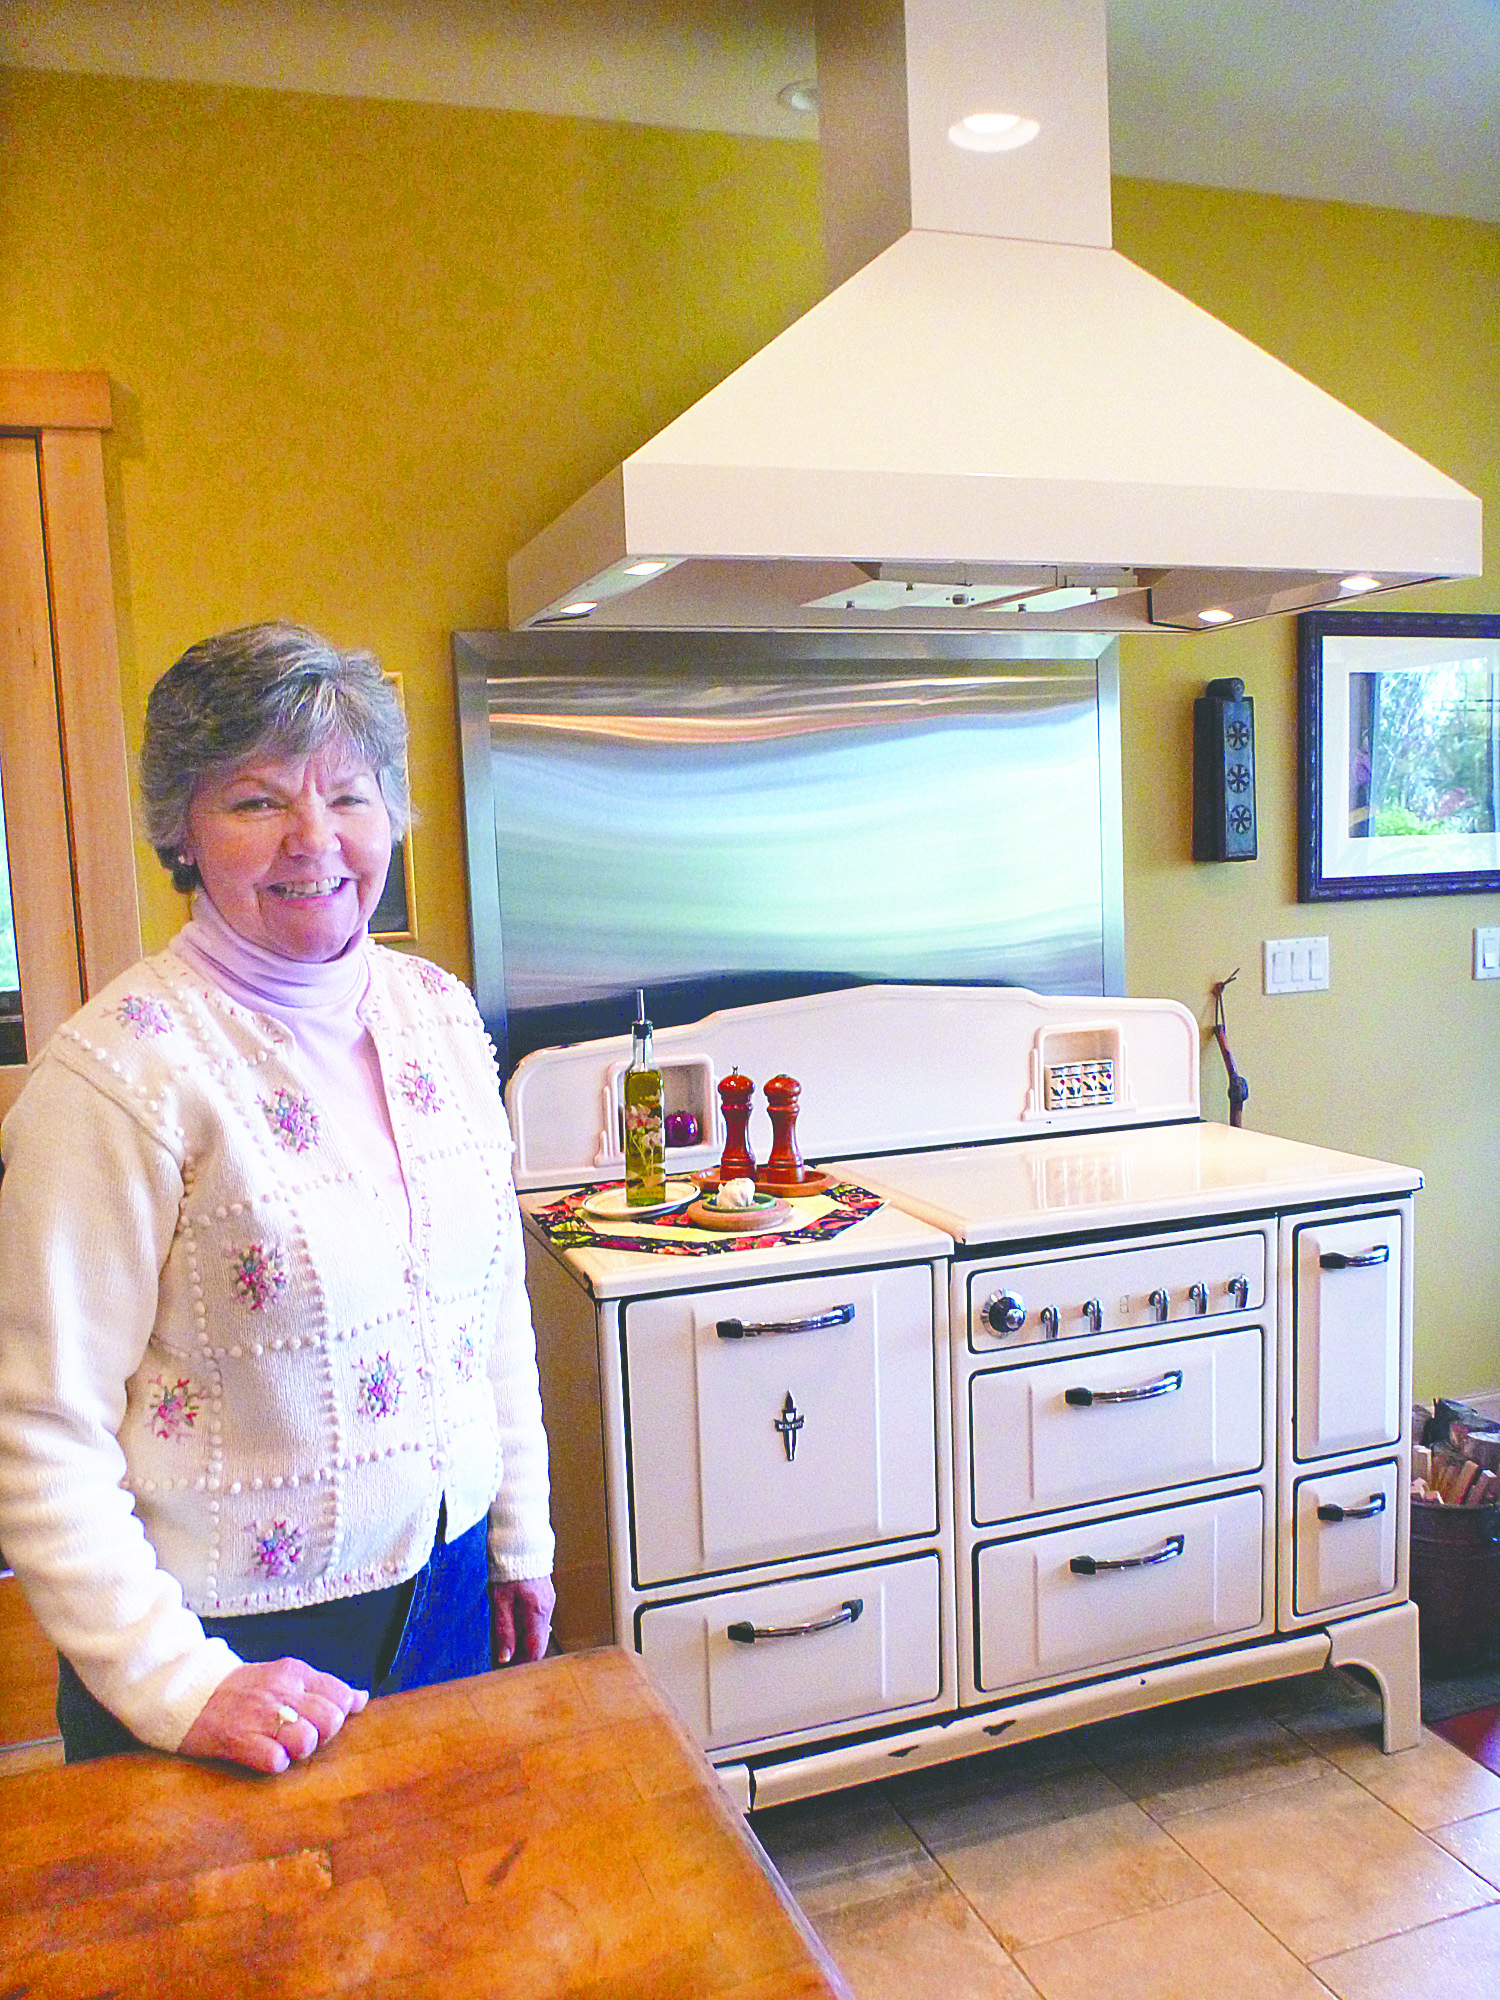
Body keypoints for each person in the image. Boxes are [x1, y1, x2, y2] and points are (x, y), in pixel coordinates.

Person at [0, 622, 554, 1773]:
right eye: (256, 801)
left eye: (348, 795)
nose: (316, 840)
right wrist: (176, 1682)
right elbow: (40, 1428)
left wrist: (518, 1531)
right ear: (182, 832)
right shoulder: (118, 1076)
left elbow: (489, 1303)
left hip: (445, 1588)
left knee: (441, 1927)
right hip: (227, 1643)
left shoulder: (439, 1015)